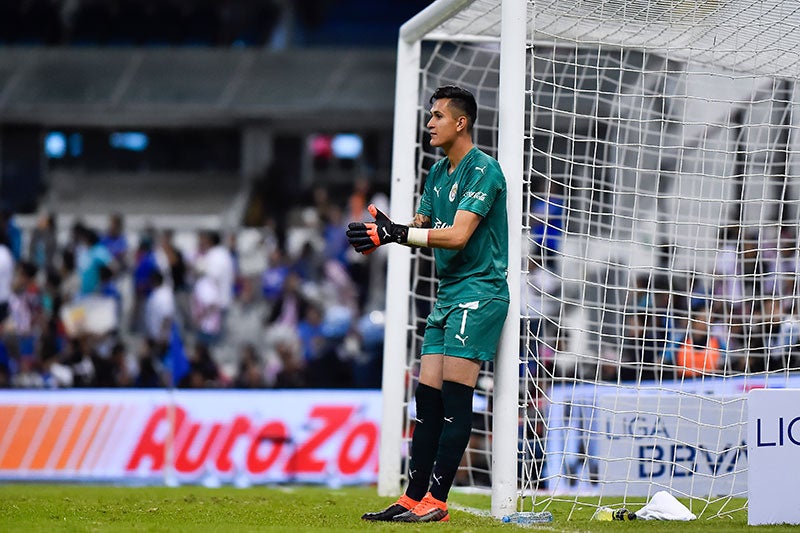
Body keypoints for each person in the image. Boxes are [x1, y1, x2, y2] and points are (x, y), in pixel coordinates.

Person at [347, 85, 509, 523]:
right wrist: (389, 231)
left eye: (437, 115)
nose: (430, 122)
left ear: (461, 122)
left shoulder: (484, 171)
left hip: (480, 292)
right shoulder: (438, 174)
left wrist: (399, 234)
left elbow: (457, 235)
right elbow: (419, 226)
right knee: (426, 400)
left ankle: (438, 501)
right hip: (448, 294)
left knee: (456, 401)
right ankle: (412, 496)